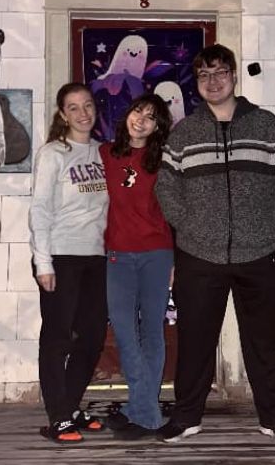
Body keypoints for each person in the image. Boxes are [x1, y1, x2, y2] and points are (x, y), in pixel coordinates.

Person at [155, 44, 275, 445]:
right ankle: (186, 417)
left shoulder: (268, 125)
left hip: (263, 253)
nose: (212, 81)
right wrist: (189, 227)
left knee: (265, 342)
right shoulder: (184, 133)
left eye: (220, 72)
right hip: (199, 254)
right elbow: (166, 188)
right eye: (204, 76)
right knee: (195, 341)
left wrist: (274, 225)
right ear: (197, 83)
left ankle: (273, 419)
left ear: (234, 76)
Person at [29, 82, 109, 443]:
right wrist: (42, 261)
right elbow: (40, 209)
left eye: (88, 105)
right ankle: (57, 416)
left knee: (91, 338)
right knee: (58, 337)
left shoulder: (102, 153)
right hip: (60, 256)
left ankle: (71, 405)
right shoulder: (53, 154)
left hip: (96, 257)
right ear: (63, 114)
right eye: (74, 107)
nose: (83, 113)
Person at [99, 93, 175, 440]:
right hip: (118, 255)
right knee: (125, 330)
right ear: (127, 114)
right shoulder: (105, 154)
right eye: (137, 111)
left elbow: (175, 212)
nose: (141, 120)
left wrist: (175, 260)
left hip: (157, 254)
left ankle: (140, 409)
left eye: (151, 117)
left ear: (158, 126)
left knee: (152, 332)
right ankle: (147, 411)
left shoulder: (163, 161)